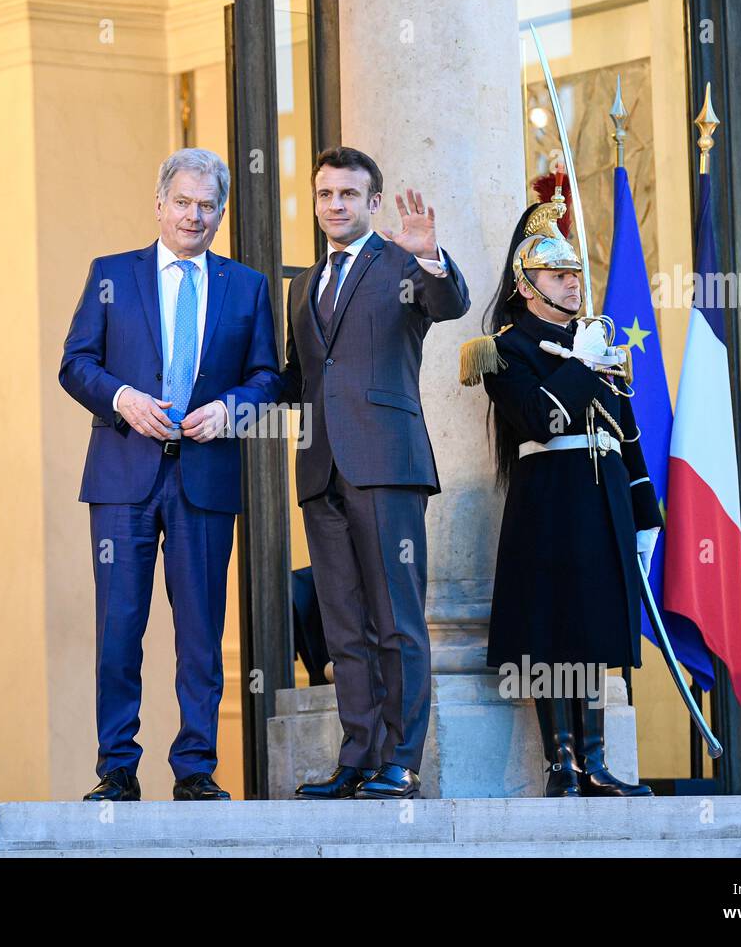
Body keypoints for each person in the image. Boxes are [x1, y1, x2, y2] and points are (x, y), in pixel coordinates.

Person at [59, 148, 281, 802]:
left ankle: (195, 770)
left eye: (207, 206)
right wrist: (121, 398)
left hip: (206, 479)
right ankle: (118, 768)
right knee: (120, 627)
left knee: (201, 634)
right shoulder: (111, 275)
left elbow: (268, 377)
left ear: (221, 213)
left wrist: (230, 409)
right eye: (182, 202)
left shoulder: (248, 286)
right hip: (122, 477)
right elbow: (75, 363)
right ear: (159, 204)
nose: (194, 216)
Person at [283, 147, 470, 800]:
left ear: (371, 202)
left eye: (348, 195)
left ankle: (402, 760)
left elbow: (449, 303)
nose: (335, 205)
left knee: (396, 620)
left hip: (387, 466)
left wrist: (429, 257)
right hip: (320, 470)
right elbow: (297, 379)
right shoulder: (302, 286)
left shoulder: (401, 263)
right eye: (325, 194)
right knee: (343, 625)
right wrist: (226, 402)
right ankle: (358, 754)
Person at [460, 176, 656, 798]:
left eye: (575, 273)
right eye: (558, 274)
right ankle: (561, 766)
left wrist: (646, 516)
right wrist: (578, 365)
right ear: (527, 285)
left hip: (602, 503)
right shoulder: (502, 351)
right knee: (552, 634)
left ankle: (595, 765)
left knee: (594, 632)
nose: (574, 282)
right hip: (548, 503)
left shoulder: (598, 342)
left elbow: (627, 437)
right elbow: (543, 419)